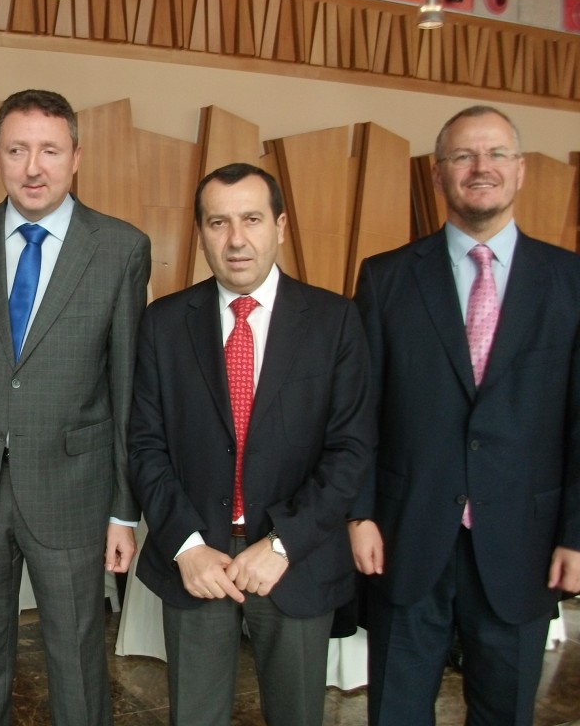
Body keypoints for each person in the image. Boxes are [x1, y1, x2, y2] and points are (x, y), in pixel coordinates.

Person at [0, 89, 152, 725]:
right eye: (17, 150)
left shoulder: (120, 248)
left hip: (73, 490)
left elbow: (127, 387)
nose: (33, 168)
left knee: (76, 661)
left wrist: (124, 512)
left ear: (75, 157)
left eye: (49, 151)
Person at [350, 105, 580, 725]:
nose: (482, 168)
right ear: (437, 173)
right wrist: (359, 514)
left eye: (497, 154)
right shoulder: (386, 278)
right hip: (405, 537)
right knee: (396, 712)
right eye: (463, 155)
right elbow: (360, 411)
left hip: (525, 544)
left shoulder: (571, 281)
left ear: (520, 169)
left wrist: (577, 534)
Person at [128, 163, 373, 725]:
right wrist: (186, 546)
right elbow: (144, 446)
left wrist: (282, 544)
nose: (236, 239)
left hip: (295, 561)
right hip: (197, 562)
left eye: (252, 219)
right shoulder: (164, 324)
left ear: (280, 226)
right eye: (218, 222)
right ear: (201, 233)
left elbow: (351, 449)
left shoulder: (334, 320)